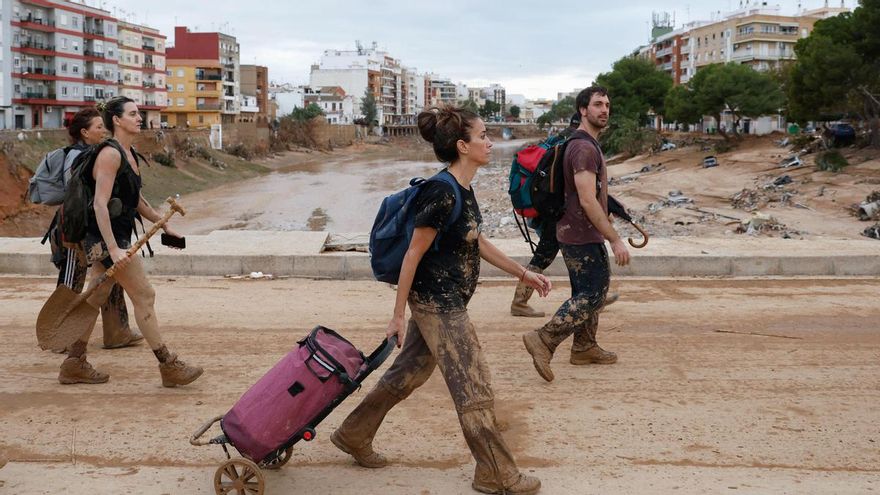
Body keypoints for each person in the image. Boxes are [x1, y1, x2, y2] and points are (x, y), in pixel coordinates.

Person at [331, 106, 550, 495]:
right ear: (463, 146)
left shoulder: (462, 189)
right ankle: (495, 472)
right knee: (473, 383)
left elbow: (475, 240)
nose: (490, 141)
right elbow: (412, 255)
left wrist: (523, 272)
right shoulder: (441, 191)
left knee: (409, 372)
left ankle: (354, 433)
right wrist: (397, 316)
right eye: (483, 136)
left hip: (445, 300)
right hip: (438, 303)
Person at [58, 96, 203, 388]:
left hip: (117, 239)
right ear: (117, 120)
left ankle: (73, 363)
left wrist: (164, 224)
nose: (140, 118)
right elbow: (100, 205)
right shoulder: (110, 155)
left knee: (96, 298)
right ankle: (168, 365)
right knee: (145, 296)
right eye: (133, 114)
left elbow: (134, 198)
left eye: (139, 114)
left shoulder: (128, 153)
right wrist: (113, 248)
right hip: (106, 240)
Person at [522, 86, 631, 382]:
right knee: (593, 293)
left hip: (576, 231)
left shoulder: (585, 144)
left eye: (607, 104)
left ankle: (584, 346)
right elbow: (586, 199)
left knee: (587, 292)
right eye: (597, 104)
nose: (604, 109)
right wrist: (615, 238)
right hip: (580, 233)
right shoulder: (583, 148)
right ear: (583, 110)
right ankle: (544, 339)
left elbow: (590, 195)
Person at [48, 107, 143, 350]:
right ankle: (60, 336)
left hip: (96, 229)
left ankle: (116, 332)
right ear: (84, 132)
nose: (103, 131)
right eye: (98, 127)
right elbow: (79, 199)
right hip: (74, 231)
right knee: (71, 284)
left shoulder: (101, 152)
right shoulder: (78, 157)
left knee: (107, 282)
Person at [510, 112, 619, 318]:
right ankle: (520, 302)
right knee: (548, 255)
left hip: (553, 209)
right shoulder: (579, 144)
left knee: (572, 255)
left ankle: (593, 296)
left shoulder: (560, 140)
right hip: (565, 213)